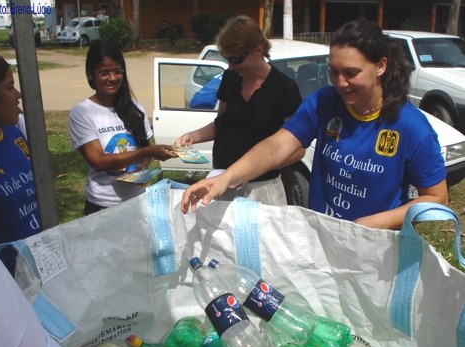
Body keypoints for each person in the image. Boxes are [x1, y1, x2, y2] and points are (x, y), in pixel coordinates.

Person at [181, 19, 448, 230]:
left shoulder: (412, 127)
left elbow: (437, 199)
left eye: (351, 73)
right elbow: (278, 145)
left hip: (376, 246)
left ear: (380, 66)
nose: (340, 83)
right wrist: (226, 178)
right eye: (333, 71)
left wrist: (373, 223)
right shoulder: (324, 102)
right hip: (322, 236)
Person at [175, 15, 304, 205]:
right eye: (227, 59)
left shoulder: (284, 88)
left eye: (236, 59)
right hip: (221, 181)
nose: (231, 66)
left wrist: (250, 171)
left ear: (259, 50)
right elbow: (223, 123)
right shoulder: (230, 78)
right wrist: (194, 136)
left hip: (262, 189)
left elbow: (297, 150)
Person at [69, 40, 177, 216]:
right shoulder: (82, 113)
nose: (112, 78)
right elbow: (98, 161)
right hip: (102, 207)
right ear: (91, 75)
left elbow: (144, 148)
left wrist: (141, 166)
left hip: (138, 203)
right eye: (104, 73)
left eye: (117, 71)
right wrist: (146, 153)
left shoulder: (135, 109)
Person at [0, 50, 42, 274]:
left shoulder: (14, 132)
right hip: (5, 287)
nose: (18, 94)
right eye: (9, 88)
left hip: (38, 270)